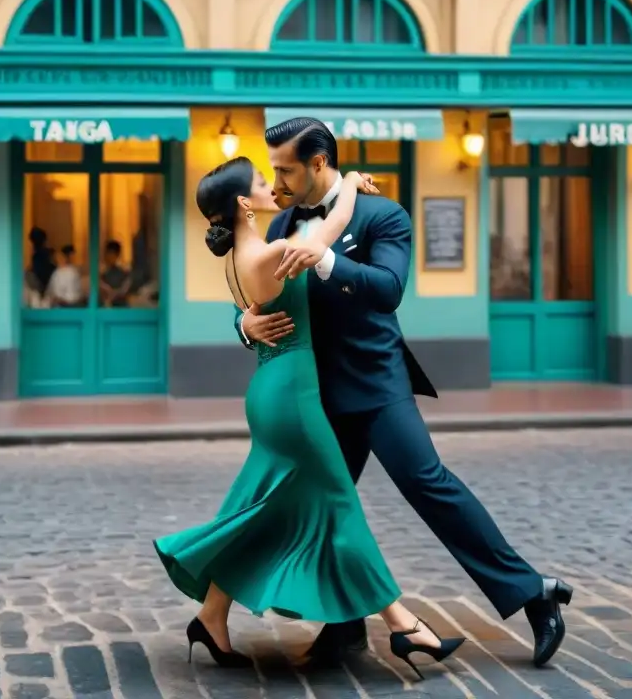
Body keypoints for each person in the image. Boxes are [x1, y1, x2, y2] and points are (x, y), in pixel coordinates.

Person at [235, 118, 572, 669]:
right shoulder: (283, 227)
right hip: (316, 399)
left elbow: (388, 291)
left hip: (377, 385)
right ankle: (343, 629)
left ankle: (534, 595)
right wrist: (243, 326)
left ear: (318, 163)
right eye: (272, 168)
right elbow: (258, 293)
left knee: (429, 486)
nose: (278, 179)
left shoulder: (381, 214)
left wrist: (326, 259)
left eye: (286, 168)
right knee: (327, 509)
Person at [154, 157, 465, 678]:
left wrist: (247, 323)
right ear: (241, 204)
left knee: (269, 507)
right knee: (339, 505)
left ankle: (211, 615)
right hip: (293, 401)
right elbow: (333, 228)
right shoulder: (274, 249)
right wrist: (348, 183)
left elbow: (261, 299)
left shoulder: (241, 255)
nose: (271, 187)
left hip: (273, 391)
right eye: (260, 182)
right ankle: (404, 624)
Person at [99, 240, 131, 307]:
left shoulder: (124, 273)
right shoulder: (103, 274)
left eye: (111, 254)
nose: (109, 257)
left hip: (120, 308)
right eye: (108, 254)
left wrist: (112, 293)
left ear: (117, 255)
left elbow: (124, 290)